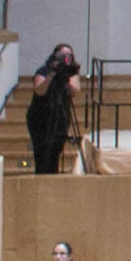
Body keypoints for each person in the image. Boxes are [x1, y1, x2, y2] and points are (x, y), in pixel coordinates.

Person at [26, 45, 82, 173]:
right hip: (40, 119)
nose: (66, 58)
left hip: (61, 117)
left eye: (69, 56)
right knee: (41, 153)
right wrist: (51, 75)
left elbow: (74, 90)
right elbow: (40, 90)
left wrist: (67, 75)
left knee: (55, 152)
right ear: (55, 56)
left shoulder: (71, 74)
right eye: (63, 55)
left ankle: (53, 177)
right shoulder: (44, 71)